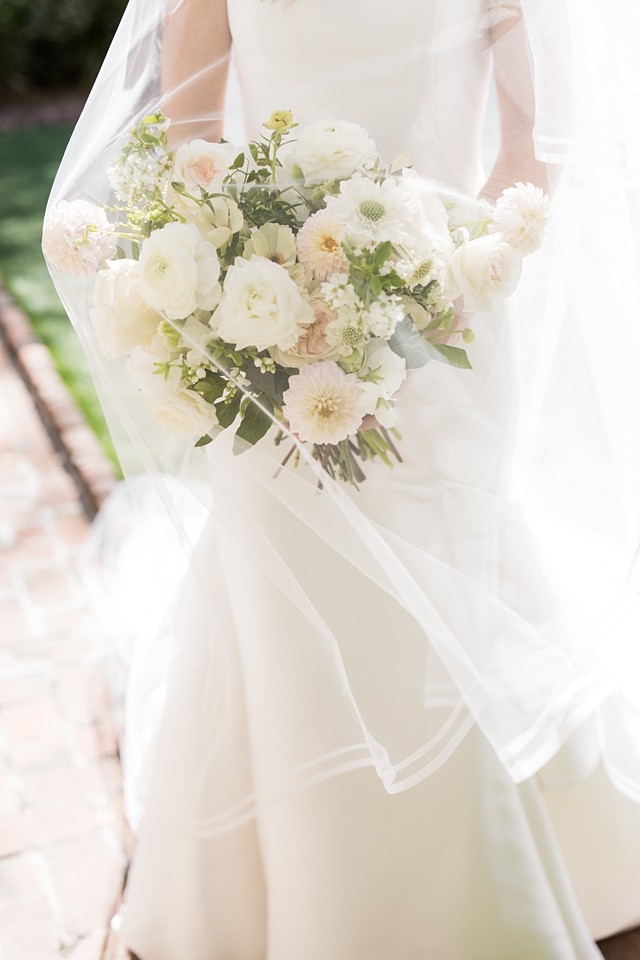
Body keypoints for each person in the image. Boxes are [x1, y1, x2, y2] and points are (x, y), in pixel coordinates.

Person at [43, 1, 640, 957]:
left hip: (447, 320)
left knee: (450, 563)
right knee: (282, 592)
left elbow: (538, 138)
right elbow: (185, 136)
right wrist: (224, 273)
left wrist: (447, 278)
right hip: (259, 308)